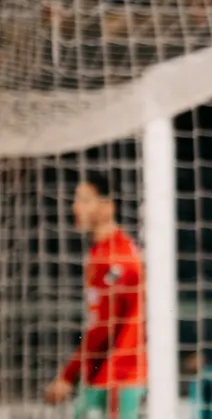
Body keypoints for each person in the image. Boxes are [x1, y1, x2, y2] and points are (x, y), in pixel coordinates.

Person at [44, 171, 146, 419]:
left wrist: (67, 375)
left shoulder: (116, 258)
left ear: (108, 206)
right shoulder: (100, 252)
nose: (75, 207)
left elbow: (104, 328)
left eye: (85, 199)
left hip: (119, 377)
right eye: (76, 199)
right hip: (101, 372)